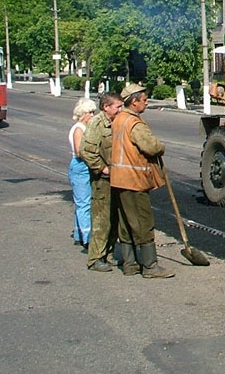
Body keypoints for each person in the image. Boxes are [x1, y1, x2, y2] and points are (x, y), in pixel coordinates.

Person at [109, 83, 174, 278]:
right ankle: (150, 266)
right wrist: (161, 147)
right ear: (134, 101)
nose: (146, 103)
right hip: (134, 179)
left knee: (126, 222)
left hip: (119, 178)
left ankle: (130, 264)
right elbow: (151, 146)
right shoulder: (134, 123)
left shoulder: (119, 119)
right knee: (143, 222)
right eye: (144, 100)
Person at [79, 92, 123, 272]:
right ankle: (95, 258)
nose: (121, 110)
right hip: (102, 180)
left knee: (115, 218)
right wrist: (103, 169)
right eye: (117, 107)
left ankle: (109, 253)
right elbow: (86, 151)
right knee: (101, 219)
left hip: (118, 177)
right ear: (106, 107)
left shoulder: (118, 122)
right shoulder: (97, 124)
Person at [68, 97, 98, 249]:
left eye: (93, 112)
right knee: (84, 203)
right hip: (80, 166)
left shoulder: (85, 128)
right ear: (82, 114)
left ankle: (79, 233)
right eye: (90, 113)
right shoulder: (79, 129)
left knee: (83, 202)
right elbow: (80, 152)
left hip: (85, 166)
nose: (92, 116)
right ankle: (87, 237)